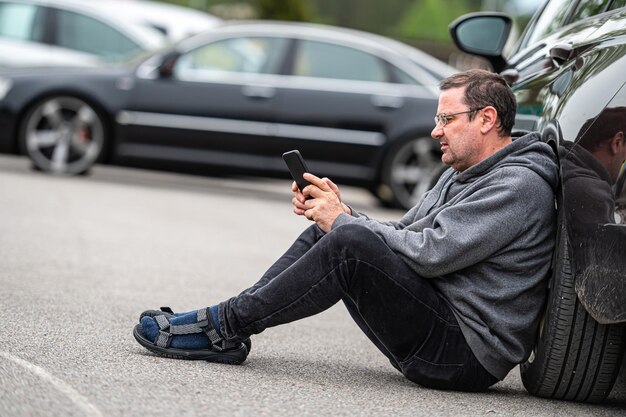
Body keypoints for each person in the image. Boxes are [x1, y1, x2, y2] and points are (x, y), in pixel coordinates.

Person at [133, 69, 559, 392]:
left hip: (462, 354)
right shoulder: (466, 171)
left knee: (348, 238)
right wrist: (339, 212)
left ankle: (222, 327)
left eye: (447, 119)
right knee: (334, 232)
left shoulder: (517, 185)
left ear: (486, 118)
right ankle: (228, 326)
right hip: (438, 320)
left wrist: (346, 221)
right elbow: (403, 232)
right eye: (437, 118)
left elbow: (430, 252)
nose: (435, 131)